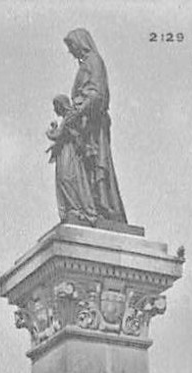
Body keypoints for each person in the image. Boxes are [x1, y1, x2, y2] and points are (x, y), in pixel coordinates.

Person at [63, 28, 128, 225]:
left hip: (94, 125)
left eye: (71, 46)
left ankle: (104, 209)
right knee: (86, 171)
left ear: (80, 43)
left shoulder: (94, 61)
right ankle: (92, 208)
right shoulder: (86, 64)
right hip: (84, 127)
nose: (70, 51)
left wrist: (79, 110)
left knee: (97, 167)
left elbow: (98, 94)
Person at [47, 94, 98, 226]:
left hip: (70, 153)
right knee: (63, 179)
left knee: (67, 178)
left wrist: (50, 130)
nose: (54, 110)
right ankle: (72, 209)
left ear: (61, 105)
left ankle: (77, 209)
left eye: (55, 106)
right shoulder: (67, 118)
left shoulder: (70, 116)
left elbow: (57, 135)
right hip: (65, 152)